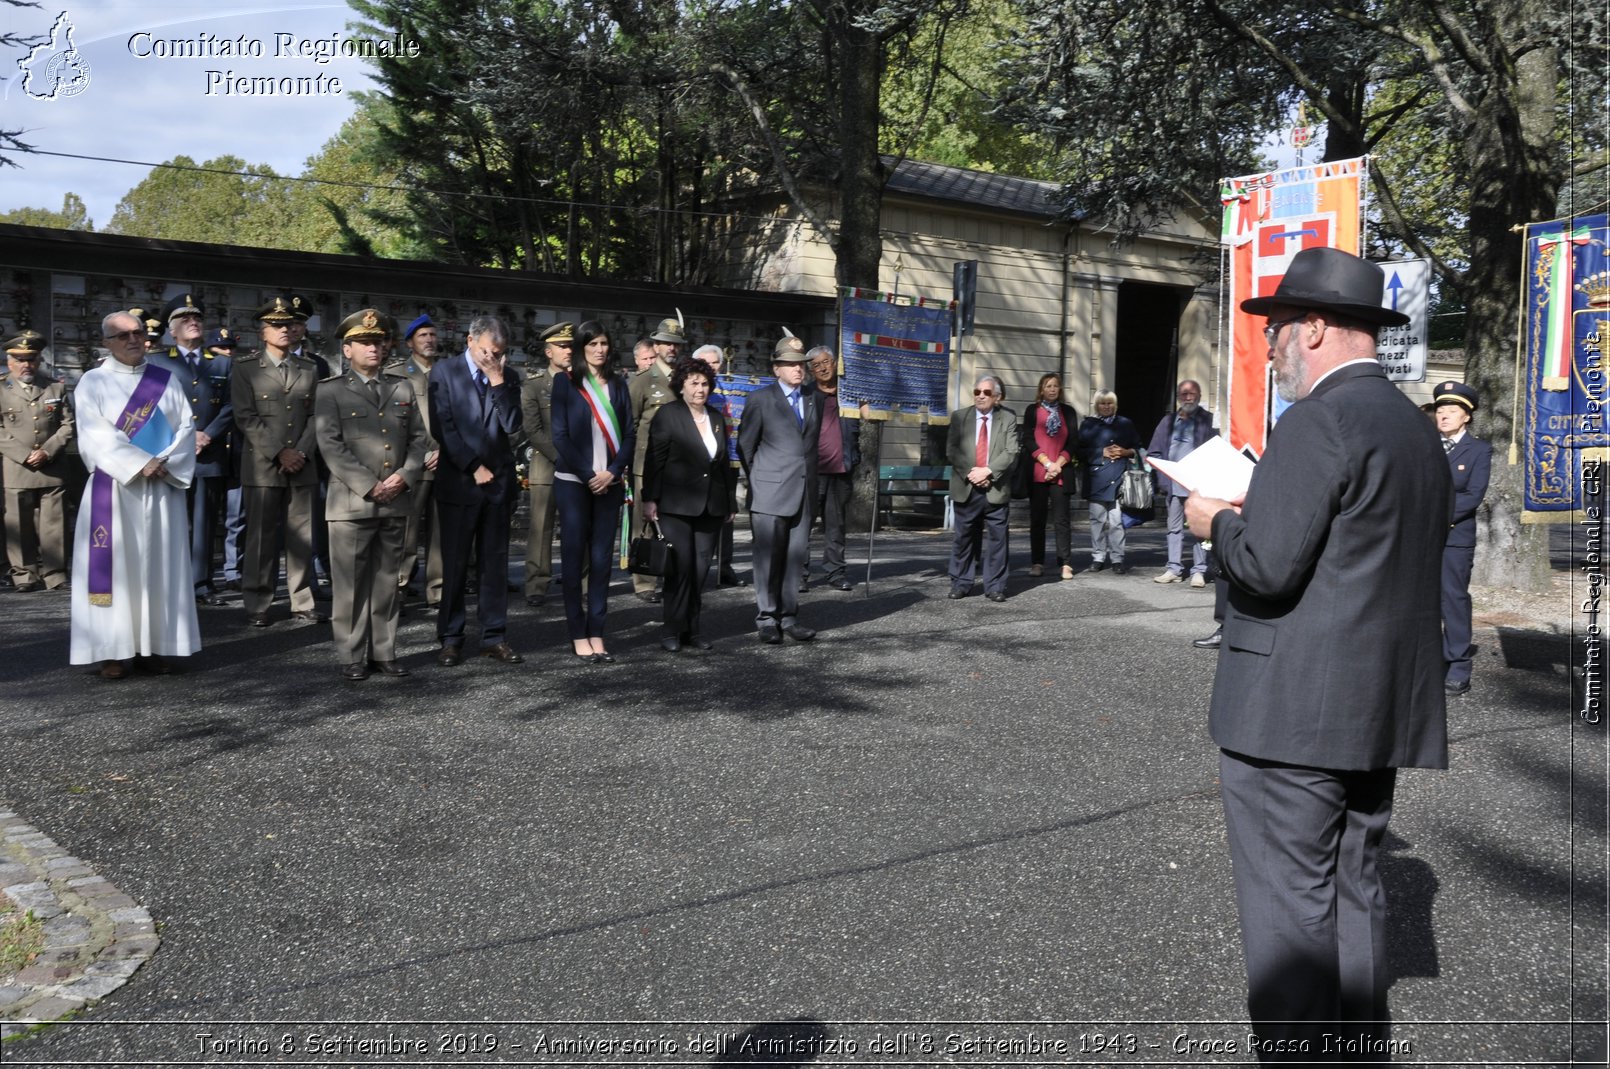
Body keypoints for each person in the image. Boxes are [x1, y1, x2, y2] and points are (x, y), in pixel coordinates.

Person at [1184, 246, 1452, 1056]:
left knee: (1289, 915)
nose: (1269, 352)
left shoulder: (1320, 420)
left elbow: (1267, 564)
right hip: (1377, 711)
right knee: (1356, 894)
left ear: (1314, 328)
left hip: (1290, 716)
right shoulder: (1413, 427)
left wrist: (1217, 522)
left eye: (1276, 334)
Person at [70, 312, 200, 678]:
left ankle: (153, 646)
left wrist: (163, 462)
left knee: (157, 567)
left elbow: (186, 428)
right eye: (122, 335)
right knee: (116, 571)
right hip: (114, 491)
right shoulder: (92, 383)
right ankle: (111, 651)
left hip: (160, 488)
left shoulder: (165, 380)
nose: (132, 339)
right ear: (107, 342)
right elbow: (94, 434)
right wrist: (139, 461)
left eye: (138, 333)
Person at [315, 310, 428, 680]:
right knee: (349, 584)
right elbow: (330, 445)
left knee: (387, 582)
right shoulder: (329, 390)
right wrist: (369, 484)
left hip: (395, 498)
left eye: (378, 342)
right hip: (352, 503)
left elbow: (418, 440)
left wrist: (405, 475)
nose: (374, 348)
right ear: (347, 350)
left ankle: (384, 651)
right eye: (365, 342)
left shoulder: (401, 387)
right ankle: (351, 656)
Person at [429, 315, 525, 666]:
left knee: (495, 564)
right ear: (470, 341)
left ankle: (494, 636)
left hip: (497, 486)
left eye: (500, 353)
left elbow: (513, 426)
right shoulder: (445, 372)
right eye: (488, 351)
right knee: (454, 564)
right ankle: (451, 638)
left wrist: (498, 381)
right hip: (459, 483)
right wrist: (473, 466)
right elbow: (444, 428)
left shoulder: (508, 375)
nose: (493, 358)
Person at [231, 296, 326, 627]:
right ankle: (258, 602)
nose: (284, 329)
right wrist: (280, 452)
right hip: (263, 466)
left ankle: (302, 601)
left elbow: (317, 416)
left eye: (288, 324)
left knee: (302, 537)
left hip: (303, 465)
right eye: (276, 325)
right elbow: (245, 417)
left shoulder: (310, 368)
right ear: (262, 332)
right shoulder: (246, 368)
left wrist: (300, 451)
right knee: (261, 537)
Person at [550, 320, 634, 663]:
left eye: (604, 343)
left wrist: (612, 472)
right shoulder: (565, 382)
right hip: (574, 484)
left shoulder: (618, 384)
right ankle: (577, 633)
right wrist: (588, 475)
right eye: (593, 343)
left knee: (601, 562)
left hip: (609, 484)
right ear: (582, 347)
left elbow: (629, 433)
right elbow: (560, 435)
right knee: (574, 561)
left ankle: (597, 631)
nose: (600, 349)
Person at [643, 359, 736, 652]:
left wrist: (730, 501)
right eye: (694, 383)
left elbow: (722, 465)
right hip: (676, 505)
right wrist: (650, 498)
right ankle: (671, 631)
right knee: (679, 569)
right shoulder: (667, 415)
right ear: (681, 385)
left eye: (705, 383)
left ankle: (692, 631)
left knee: (699, 571)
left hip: (712, 506)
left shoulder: (716, 417)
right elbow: (654, 459)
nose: (700, 389)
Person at [149, 293, 234, 606]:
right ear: (172, 330)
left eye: (197, 317)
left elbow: (230, 405)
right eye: (185, 319)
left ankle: (201, 584)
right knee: (170, 519)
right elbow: (150, 408)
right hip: (171, 454)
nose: (193, 322)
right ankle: (171, 581)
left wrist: (207, 435)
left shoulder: (223, 363)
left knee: (204, 520)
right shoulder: (157, 362)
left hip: (208, 454)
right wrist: (183, 439)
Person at [738, 336, 821, 642]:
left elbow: (811, 447)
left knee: (794, 559)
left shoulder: (814, 398)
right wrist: (759, 479)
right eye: (790, 364)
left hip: (803, 492)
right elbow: (745, 445)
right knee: (767, 559)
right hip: (770, 492)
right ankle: (766, 617)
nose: (798, 369)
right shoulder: (760, 399)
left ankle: (788, 617)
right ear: (776, 369)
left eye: (801, 363)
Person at [0, 330, 74, 592]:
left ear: (39, 360)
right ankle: (24, 575)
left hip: (51, 467)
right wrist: (23, 454)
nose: (25, 365)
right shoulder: (1, 388)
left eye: (31, 359)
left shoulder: (55, 386)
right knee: (18, 523)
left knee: (54, 522)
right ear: (9, 360)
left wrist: (48, 450)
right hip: (16, 467)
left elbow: (67, 424)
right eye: (19, 359)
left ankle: (55, 574)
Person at [1434, 380, 1491, 696]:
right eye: (1440, 409)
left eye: (1451, 410)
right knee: (1423, 599)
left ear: (1466, 416)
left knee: (1452, 599)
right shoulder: (1425, 443)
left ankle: (1458, 664)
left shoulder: (1479, 450)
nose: (1443, 415)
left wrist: (1435, 515)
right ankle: (1430, 659)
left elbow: (1473, 495)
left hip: (1455, 536)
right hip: (1422, 536)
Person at [946, 374, 1019, 601]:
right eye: (977, 391)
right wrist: (973, 473)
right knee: (964, 538)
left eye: (986, 393)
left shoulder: (1007, 418)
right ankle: (961, 583)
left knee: (998, 540)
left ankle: (995, 586)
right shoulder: (960, 417)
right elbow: (952, 450)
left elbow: (1011, 451)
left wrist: (987, 472)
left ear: (996, 397)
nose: (980, 396)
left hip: (995, 487)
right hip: (967, 485)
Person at [627, 317, 683, 603]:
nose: (671, 348)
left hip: (678, 466)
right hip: (646, 464)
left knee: (673, 522)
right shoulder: (643, 381)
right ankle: (644, 582)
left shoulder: (685, 377)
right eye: (666, 343)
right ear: (656, 345)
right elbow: (632, 422)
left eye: (676, 344)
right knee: (645, 523)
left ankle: (672, 575)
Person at [390, 314, 444, 607]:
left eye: (433, 335)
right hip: (413, 463)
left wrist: (445, 451)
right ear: (410, 342)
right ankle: (400, 585)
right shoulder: (398, 373)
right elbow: (396, 422)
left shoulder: (449, 372)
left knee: (440, 532)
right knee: (407, 530)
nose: (429, 340)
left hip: (445, 463)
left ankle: (437, 590)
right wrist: (423, 454)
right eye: (423, 335)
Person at [521, 322, 572, 607]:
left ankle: (577, 581)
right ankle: (537, 585)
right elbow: (533, 429)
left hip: (579, 469)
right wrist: (562, 456)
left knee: (577, 527)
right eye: (563, 346)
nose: (568, 351)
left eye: (570, 346)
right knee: (541, 529)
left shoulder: (583, 383)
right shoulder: (535, 385)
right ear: (548, 351)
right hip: (547, 466)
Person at [1149, 379, 1218, 588]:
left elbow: (1217, 450)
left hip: (1198, 485)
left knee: (1199, 529)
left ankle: (1199, 570)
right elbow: (1154, 452)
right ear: (1179, 397)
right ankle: (1174, 569)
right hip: (1174, 484)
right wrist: (1163, 479)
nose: (1188, 397)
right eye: (1184, 394)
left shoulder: (1209, 420)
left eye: (1192, 393)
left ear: (1199, 395)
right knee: (1174, 528)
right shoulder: (1167, 422)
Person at [805, 345, 860, 592]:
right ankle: (798, 574)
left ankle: (836, 572)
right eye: (816, 365)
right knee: (803, 526)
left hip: (841, 470)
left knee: (836, 527)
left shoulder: (849, 394)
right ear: (810, 371)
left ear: (835, 362)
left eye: (826, 362)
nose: (823, 367)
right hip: (811, 472)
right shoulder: (805, 396)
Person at [692, 343, 746, 587]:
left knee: (726, 516)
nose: (711, 367)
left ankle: (724, 566)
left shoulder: (732, 390)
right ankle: (693, 567)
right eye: (706, 363)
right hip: (694, 463)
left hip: (726, 461)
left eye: (715, 363)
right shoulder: (691, 389)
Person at [1018, 372, 1078, 581]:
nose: (1052, 389)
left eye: (1055, 386)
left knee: (1062, 520)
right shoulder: (1032, 411)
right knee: (1038, 520)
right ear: (1041, 389)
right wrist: (1046, 462)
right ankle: (1037, 562)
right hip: (1038, 472)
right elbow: (1027, 438)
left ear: (1060, 390)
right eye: (1048, 386)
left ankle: (1065, 562)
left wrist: (1058, 464)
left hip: (1061, 472)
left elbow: (1073, 441)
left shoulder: (1068, 412)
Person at [1076, 390, 1141, 574]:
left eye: (1110, 403)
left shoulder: (1125, 424)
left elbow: (1137, 448)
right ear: (1097, 405)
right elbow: (1079, 452)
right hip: (1097, 478)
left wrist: (1126, 452)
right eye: (1103, 403)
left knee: (1116, 521)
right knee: (1097, 520)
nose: (1106, 407)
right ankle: (1098, 556)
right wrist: (1100, 453)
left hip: (1119, 478)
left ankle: (1117, 558)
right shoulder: (1088, 424)